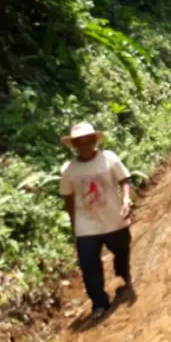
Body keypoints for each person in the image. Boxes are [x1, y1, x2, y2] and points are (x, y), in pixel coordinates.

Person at [59, 122, 135, 320]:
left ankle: (122, 271)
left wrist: (126, 198)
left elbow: (124, 179)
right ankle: (99, 303)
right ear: (75, 145)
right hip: (86, 225)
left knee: (122, 249)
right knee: (88, 265)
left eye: (87, 140)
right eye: (80, 142)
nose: (84, 145)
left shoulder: (108, 158)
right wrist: (74, 223)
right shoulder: (69, 170)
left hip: (113, 218)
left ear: (94, 140)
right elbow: (68, 198)